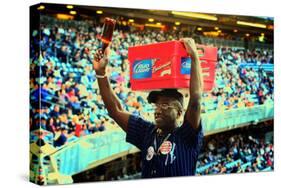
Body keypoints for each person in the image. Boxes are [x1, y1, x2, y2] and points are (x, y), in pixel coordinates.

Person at [92, 38, 204, 178]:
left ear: (180, 113)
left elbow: (196, 99)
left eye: (164, 105)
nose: (158, 109)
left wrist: (193, 56)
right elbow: (116, 110)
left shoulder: (188, 135)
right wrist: (101, 73)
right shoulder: (147, 132)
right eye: (156, 105)